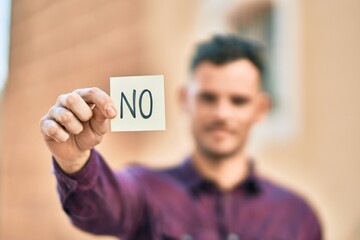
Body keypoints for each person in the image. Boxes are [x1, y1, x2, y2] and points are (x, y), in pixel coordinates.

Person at [40, 35, 322, 240]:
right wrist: (75, 160)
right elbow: (102, 210)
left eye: (238, 101)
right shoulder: (144, 191)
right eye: (208, 98)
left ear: (260, 108)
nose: (222, 113)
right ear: (185, 100)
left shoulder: (297, 216)